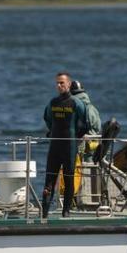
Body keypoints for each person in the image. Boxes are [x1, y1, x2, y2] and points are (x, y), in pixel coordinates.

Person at [42, 72, 88, 218]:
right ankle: (44, 213)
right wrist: (52, 131)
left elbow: (84, 124)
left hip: (69, 146)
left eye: (62, 83)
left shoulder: (76, 103)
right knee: (49, 180)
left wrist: (76, 136)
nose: (59, 85)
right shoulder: (53, 103)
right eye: (57, 83)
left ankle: (66, 211)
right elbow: (48, 119)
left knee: (68, 179)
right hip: (54, 146)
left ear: (69, 84)